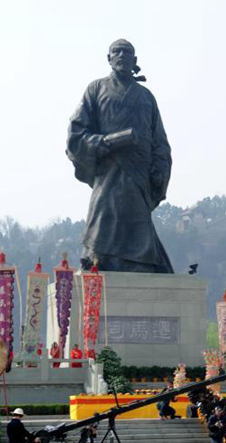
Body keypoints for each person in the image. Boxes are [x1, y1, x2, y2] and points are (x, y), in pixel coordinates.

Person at [66, 39, 173, 273]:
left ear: (135, 60)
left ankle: (142, 265)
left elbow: (160, 143)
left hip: (139, 177)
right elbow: (76, 135)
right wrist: (108, 141)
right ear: (109, 58)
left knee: (140, 229)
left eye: (128, 52)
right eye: (117, 51)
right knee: (103, 222)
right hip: (109, 173)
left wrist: (160, 171)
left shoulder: (146, 97)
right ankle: (97, 260)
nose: (122, 55)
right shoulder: (96, 89)